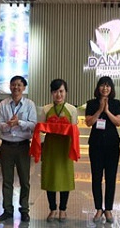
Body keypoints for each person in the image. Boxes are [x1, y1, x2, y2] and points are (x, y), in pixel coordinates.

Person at [0, 75, 37, 222]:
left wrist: (19, 123)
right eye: (13, 85)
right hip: (6, 146)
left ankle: (24, 209)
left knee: (24, 180)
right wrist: (8, 125)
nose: (16, 87)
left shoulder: (29, 104)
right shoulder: (3, 104)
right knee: (7, 180)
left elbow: (33, 125)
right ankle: (7, 210)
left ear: (24, 88)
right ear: (10, 87)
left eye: (19, 85)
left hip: (23, 146)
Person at [39, 79, 78, 222]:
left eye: (61, 91)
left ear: (65, 92)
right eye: (55, 92)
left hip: (65, 149)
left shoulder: (72, 109)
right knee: (50, 178)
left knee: (64, 178)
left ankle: (63, 209)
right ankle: (52, 209)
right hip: (50, 148)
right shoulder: (46, 109)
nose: (58, 95)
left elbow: (74, 130)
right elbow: (42, 130)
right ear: (51, 93)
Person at [85, 76, 120, 223]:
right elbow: (89, 122)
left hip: (113, 145)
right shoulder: (91, 103)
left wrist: (107, 111)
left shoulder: (115, 103)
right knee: (96, 177)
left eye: (108, 86)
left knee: (111, 178)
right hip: (96, 144)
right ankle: (98, 209)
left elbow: (118, 122)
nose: (105, 88)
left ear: (111, 88)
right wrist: (100, 109)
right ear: (98, 87)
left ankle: (108, 210)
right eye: (102, 85)